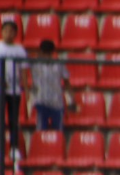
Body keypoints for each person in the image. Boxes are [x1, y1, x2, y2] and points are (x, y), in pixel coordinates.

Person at [27, 40, 71, 133]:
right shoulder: (34, 63)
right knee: (40, 131)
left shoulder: (59, 64)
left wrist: (71, 100)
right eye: (44, 52)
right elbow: (22, 56)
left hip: (56, 102)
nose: (46, 55)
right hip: (40, 100)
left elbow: (67, 82)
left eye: (48, 52)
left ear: (52, 52)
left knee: (58, 132)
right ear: (40, 52)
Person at [0, 20, 25, 159]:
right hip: (1, 91)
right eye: (5, 30)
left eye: (11, 31)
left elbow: (24, 71)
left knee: (13, 120)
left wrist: (25, 89)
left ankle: (14, 148)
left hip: (14, 91)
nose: (8, 33)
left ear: (15, 33)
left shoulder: (19, 50)